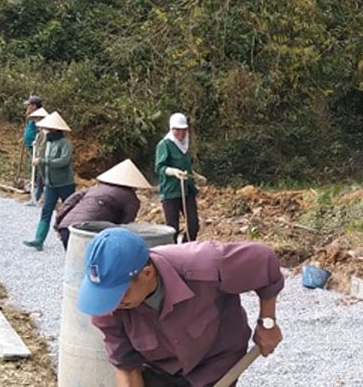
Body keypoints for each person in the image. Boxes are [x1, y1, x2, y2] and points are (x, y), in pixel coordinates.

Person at [77, 226, 284, 387]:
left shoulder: (204, 265)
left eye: (120, 293)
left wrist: (267, 324)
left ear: (147, 273)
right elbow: (127, 368)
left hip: (216, 362)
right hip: (162, 371)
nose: (112, 303)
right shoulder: (107, 307)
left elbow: (264, 261)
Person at [52, 159, 153, 247]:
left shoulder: (95, 188)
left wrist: (58, 223)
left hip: (66, 227)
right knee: (87, 266)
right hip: (88, 233)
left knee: (74, 264)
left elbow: (69, 202)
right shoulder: (131, 198)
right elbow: (125, 225)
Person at [23, 111, 75, 250]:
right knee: (46, 211)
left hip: (65, 184)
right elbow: (42, 155)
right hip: (50, 184)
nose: (45, 131)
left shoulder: (65, 143)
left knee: (69, 211)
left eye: (47, 129)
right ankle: (39, 239)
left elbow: (63, 161)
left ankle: (71, 240)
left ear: (55, 130)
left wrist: (43, 161)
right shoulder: (48, 143)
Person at [155, 112, 200, 241]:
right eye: (177, 130)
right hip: (171, 191)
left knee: (193, 225)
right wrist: (173, 171)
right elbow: (160, 167)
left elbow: (186, 168)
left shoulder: (185, 145)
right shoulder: (164, 145)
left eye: (183, 130)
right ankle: (172, 254)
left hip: (187, 190)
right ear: (171, 129)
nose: (180, 134)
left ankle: (187, 248)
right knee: (172, 228)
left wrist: (195, 176)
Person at [25, 104, 48, 206]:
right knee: (39, 179)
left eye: (36, 118)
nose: (35, 121)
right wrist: (35, 142)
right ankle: (35, 198)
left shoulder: (47, 131)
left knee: (45, 180)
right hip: (39, 157)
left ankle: (45, 200)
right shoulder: (40, 131)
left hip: (45, 159)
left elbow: (45, 146)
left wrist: (40, 157)